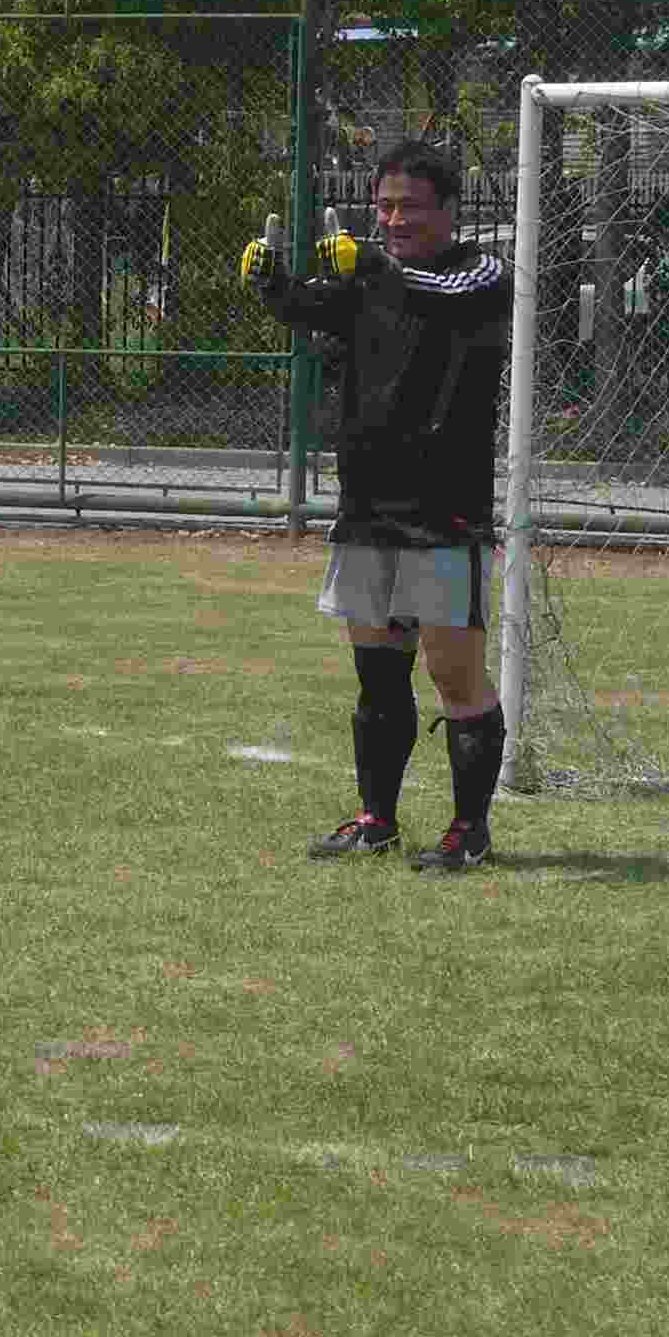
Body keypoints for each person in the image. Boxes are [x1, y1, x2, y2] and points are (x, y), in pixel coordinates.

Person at [244, 137, 515, 873]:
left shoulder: (480, 274)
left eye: (411, 207)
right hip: (366, 509)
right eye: (385, 207)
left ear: (449, 210)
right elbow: (308, 306)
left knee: (454, 675)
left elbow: (428, 290)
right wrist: (272, 283)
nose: (395, 219)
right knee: (378, 673)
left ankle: (469, 830)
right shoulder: (371, 279)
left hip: (444, 515)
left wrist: (371, 264)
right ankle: (376, 820)